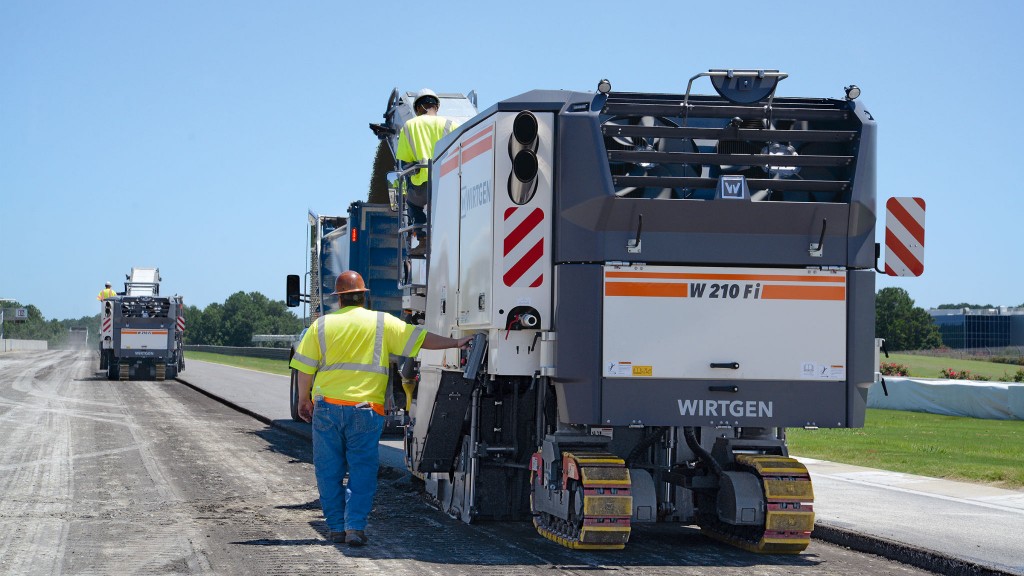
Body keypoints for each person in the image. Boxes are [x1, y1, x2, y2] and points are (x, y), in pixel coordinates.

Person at [290, 270, 471, 546]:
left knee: (328, 471)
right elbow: (421, 340)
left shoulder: (322, 326)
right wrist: (455, 342)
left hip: (327, 408)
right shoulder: (381, 323)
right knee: (362, 470)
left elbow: (304, 368)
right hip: (366, 410)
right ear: (364, 296)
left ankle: (336, 528)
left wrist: (304, 399)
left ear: (339, 300)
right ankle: (354, 528)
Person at [395, 88, 459, 255]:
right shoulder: (449, 125)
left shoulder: (409, 126)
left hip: (421, 184)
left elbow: (405, 161)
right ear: (436, 107)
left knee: (413, 204)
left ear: (417, 108)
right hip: (445, 181)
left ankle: (423, 240)